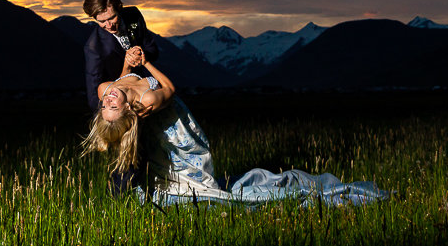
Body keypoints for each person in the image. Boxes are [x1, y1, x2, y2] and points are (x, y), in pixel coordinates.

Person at [83, 56, 387, 207]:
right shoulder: (147, 101)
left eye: (106, 104)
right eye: (111, 106)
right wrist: (146, 63)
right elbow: (171, 90)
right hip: (175, 127)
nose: (108, 99)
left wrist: (127, 64)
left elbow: (121, 83)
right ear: (129, 113)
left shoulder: (105, 89)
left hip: (163, 119)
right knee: (194, 180)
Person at [81, 0, 163, 193]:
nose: (108, 25)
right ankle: (117, 198)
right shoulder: (93, 47)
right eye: (101, 21)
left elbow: (153, 49)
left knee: (156, 149)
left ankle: (150, 190)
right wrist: (115, 115)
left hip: (146, 92)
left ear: (119, 8)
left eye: (111, 18)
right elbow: (93, 95)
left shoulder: (134, 15)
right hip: (121, 105)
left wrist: (142, 54)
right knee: (135, 154)